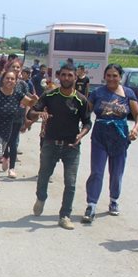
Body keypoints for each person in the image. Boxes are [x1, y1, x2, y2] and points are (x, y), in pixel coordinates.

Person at [28, 64, 92, 230]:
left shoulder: (81, 100)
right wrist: (39, 113)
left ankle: (64, 215)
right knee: (43, 176)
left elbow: (87, 123)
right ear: (59, 76)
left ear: (75, 77)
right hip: (50, 144)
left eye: (70, 75)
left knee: (70, 183)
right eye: (63, 75)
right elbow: (30, 113)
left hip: (71, 146)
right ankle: (41, 198)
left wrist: (81, 134)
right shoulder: (50, 95)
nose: (66, 78)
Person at [80, 64, 138, 223]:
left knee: (116, 172)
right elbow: (85, 112)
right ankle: (91, 204)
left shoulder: (128, 93)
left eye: (115, 75)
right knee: (97, 171)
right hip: (100, 135)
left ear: (120, 77)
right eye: (109, 75)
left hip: (120, 136)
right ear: (104, 76)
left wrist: (135, 129)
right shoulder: (97, 93)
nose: (111, 78)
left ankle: (114, 200)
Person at [0, 70, 37, 189]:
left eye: (12, 79)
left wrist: (35, 99)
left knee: (0, 153)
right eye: (7, 78)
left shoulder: (18, 95)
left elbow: (30, 103)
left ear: (16, 82)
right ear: (3, 80)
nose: (9, 81)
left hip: (8, 129)